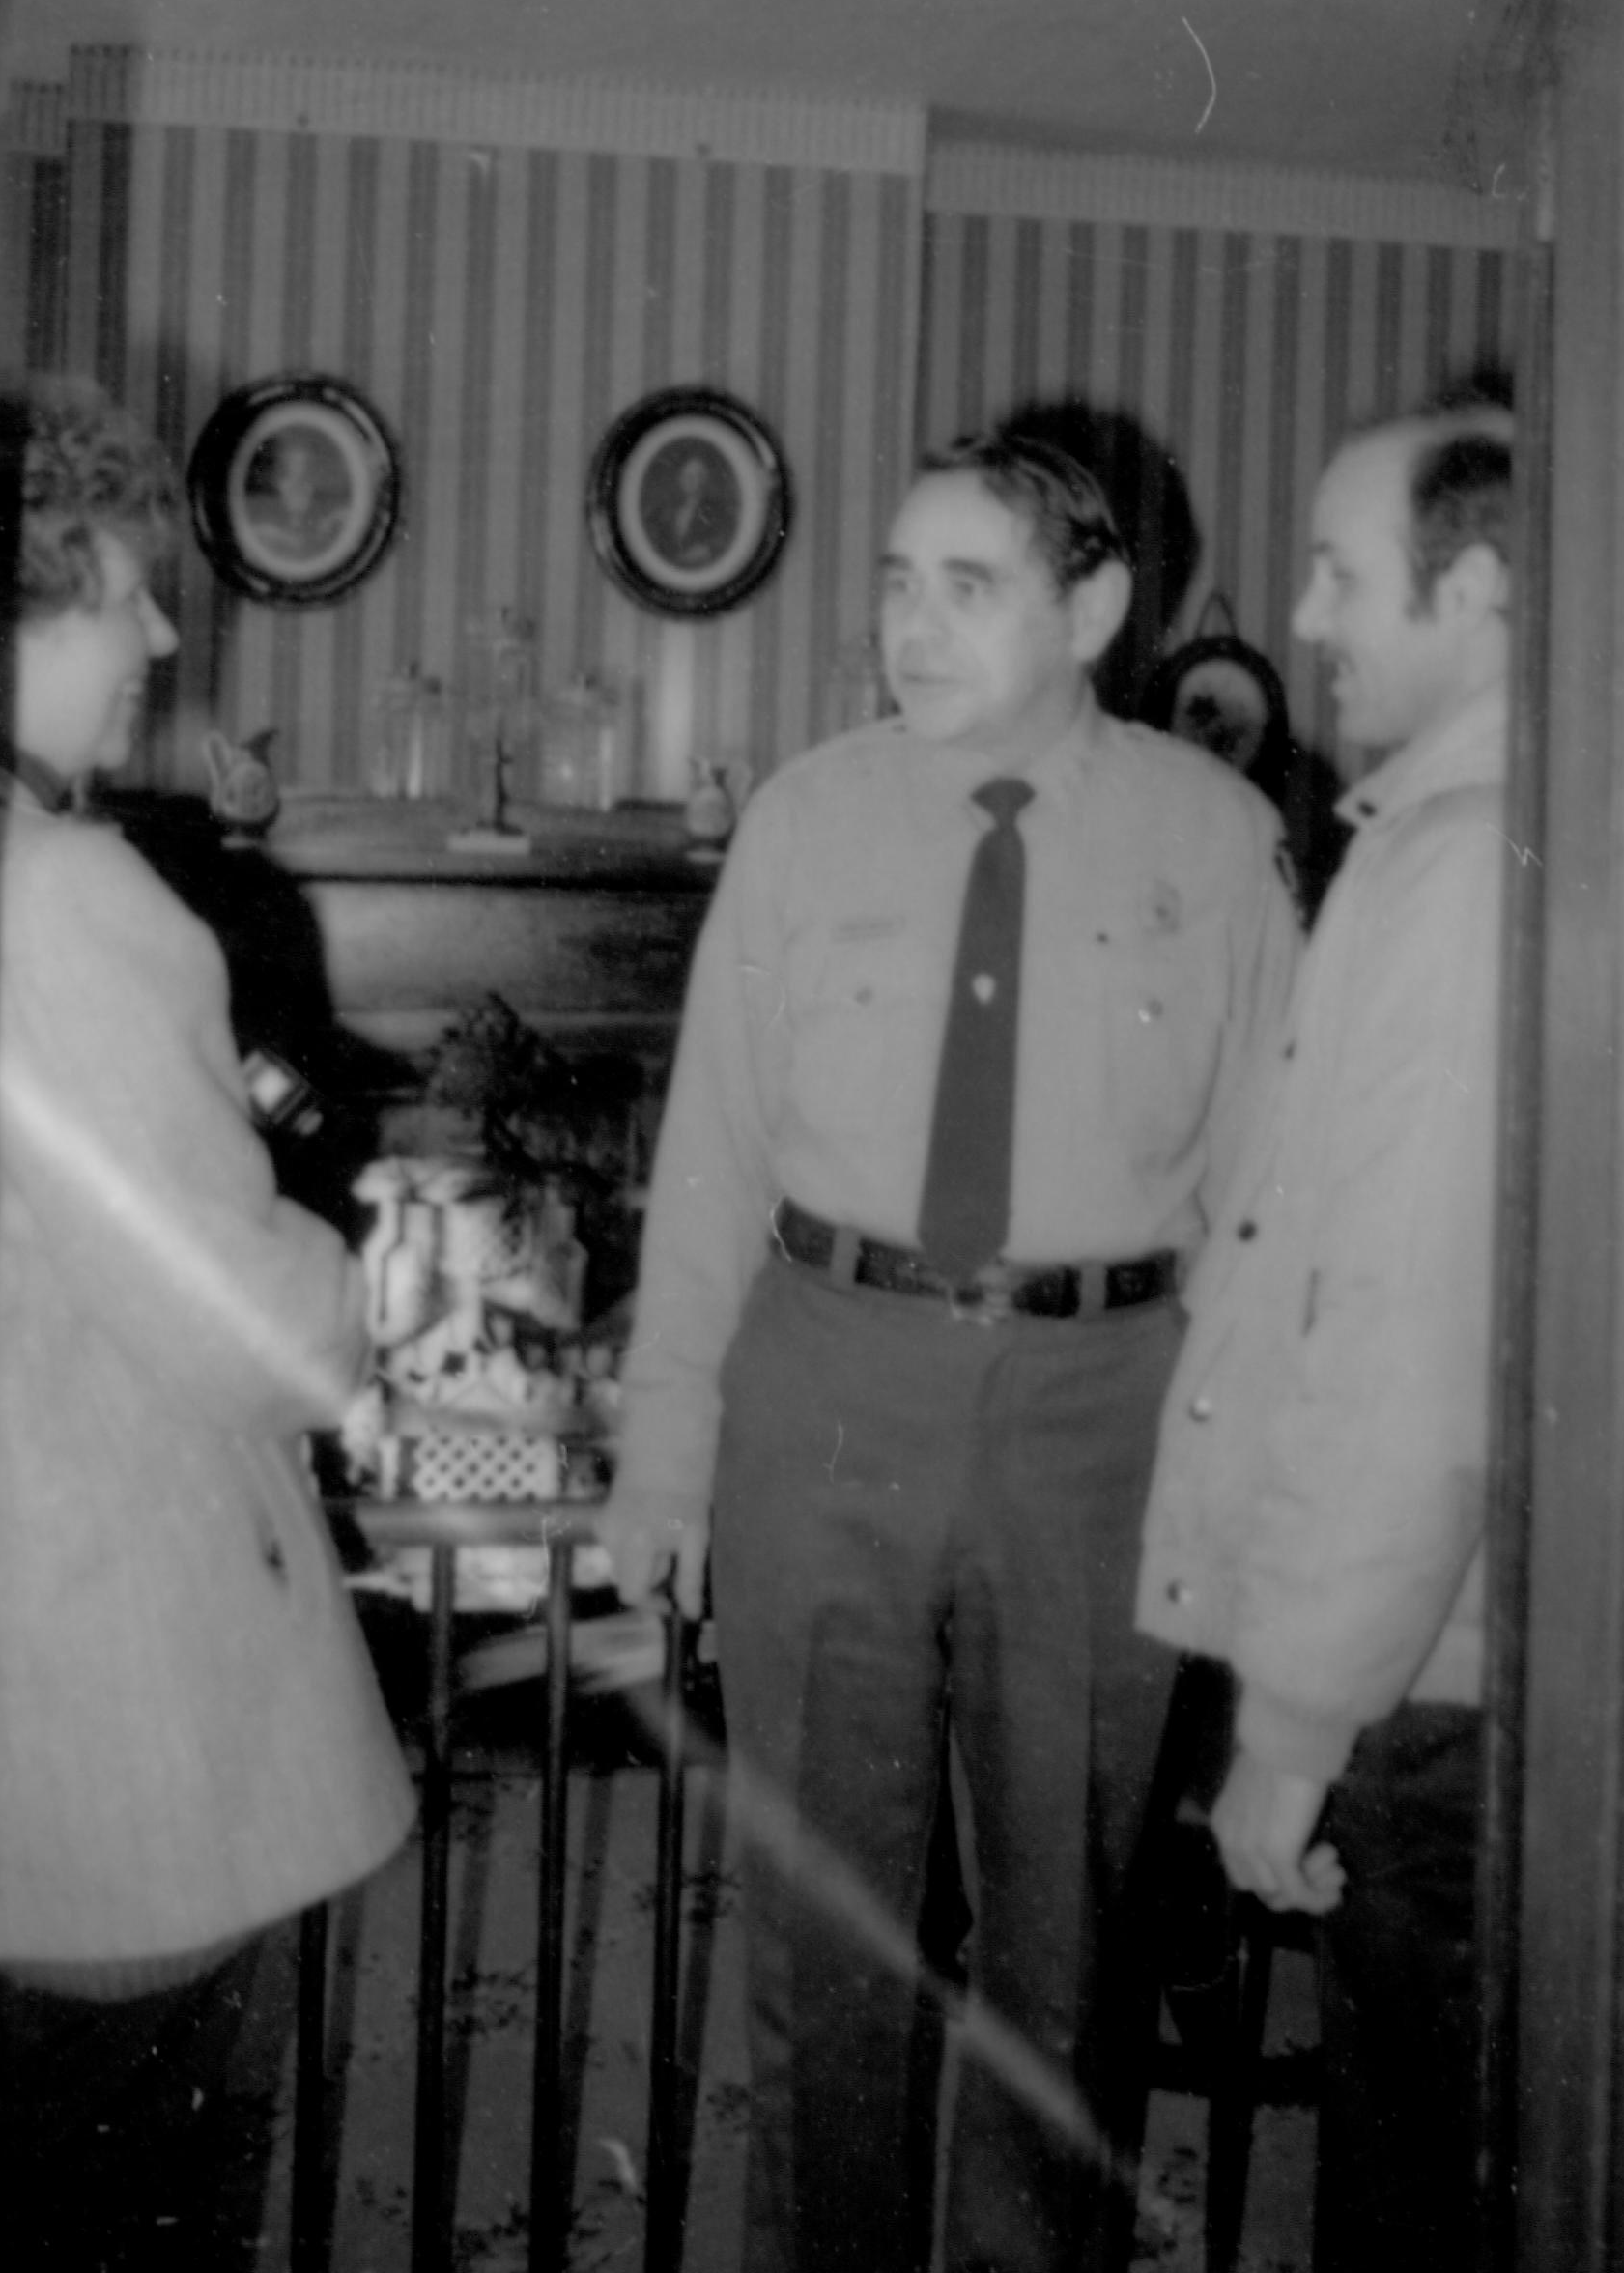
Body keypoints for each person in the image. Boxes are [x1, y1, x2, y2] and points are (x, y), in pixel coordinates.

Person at [603, 426, 1301, 2273]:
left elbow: (1258, 1217)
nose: (907, 626)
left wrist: (1242, 1502)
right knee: (822, 1934)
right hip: (829, 1385)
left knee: (1060, 1961)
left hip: (1100, 1416)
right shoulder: (808, 817)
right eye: (897, 583)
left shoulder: (1219, 841)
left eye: (964, 587)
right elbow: (712, 1159)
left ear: (1092, 607)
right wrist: (664, 1454)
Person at [0, 379, 413, 2269]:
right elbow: (259, 1334)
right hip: (123, 1723)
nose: (160, 634)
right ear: (16, 606)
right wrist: (355, 1270)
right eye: (127, 593)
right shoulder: (60, 895)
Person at [1139, 396, 1512, 2273]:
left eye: (1345, 574)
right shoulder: (1438, 836)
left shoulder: (1463, 871)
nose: (1303, 615)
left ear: (1486, 593)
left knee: (1411, 2187)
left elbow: (1410, 1341)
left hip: (1422, 1687)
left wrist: (1291, 1721)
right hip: (1422, 1657)